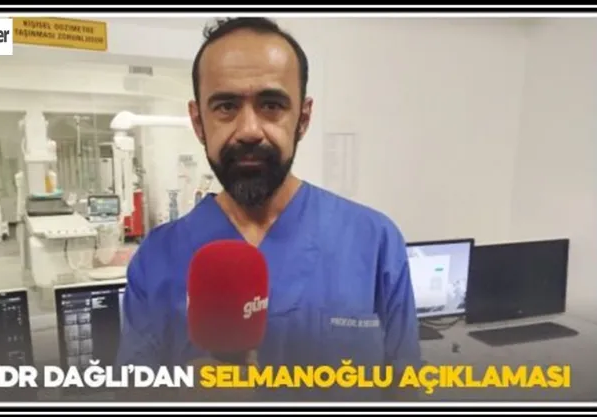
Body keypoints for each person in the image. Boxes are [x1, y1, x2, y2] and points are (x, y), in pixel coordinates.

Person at [116, 17, 422, 402]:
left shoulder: (374, 242)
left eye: (272, 105)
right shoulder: (156, 259)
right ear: (198, 122)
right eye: (226, 106)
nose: (249, 129)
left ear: (303, 119)